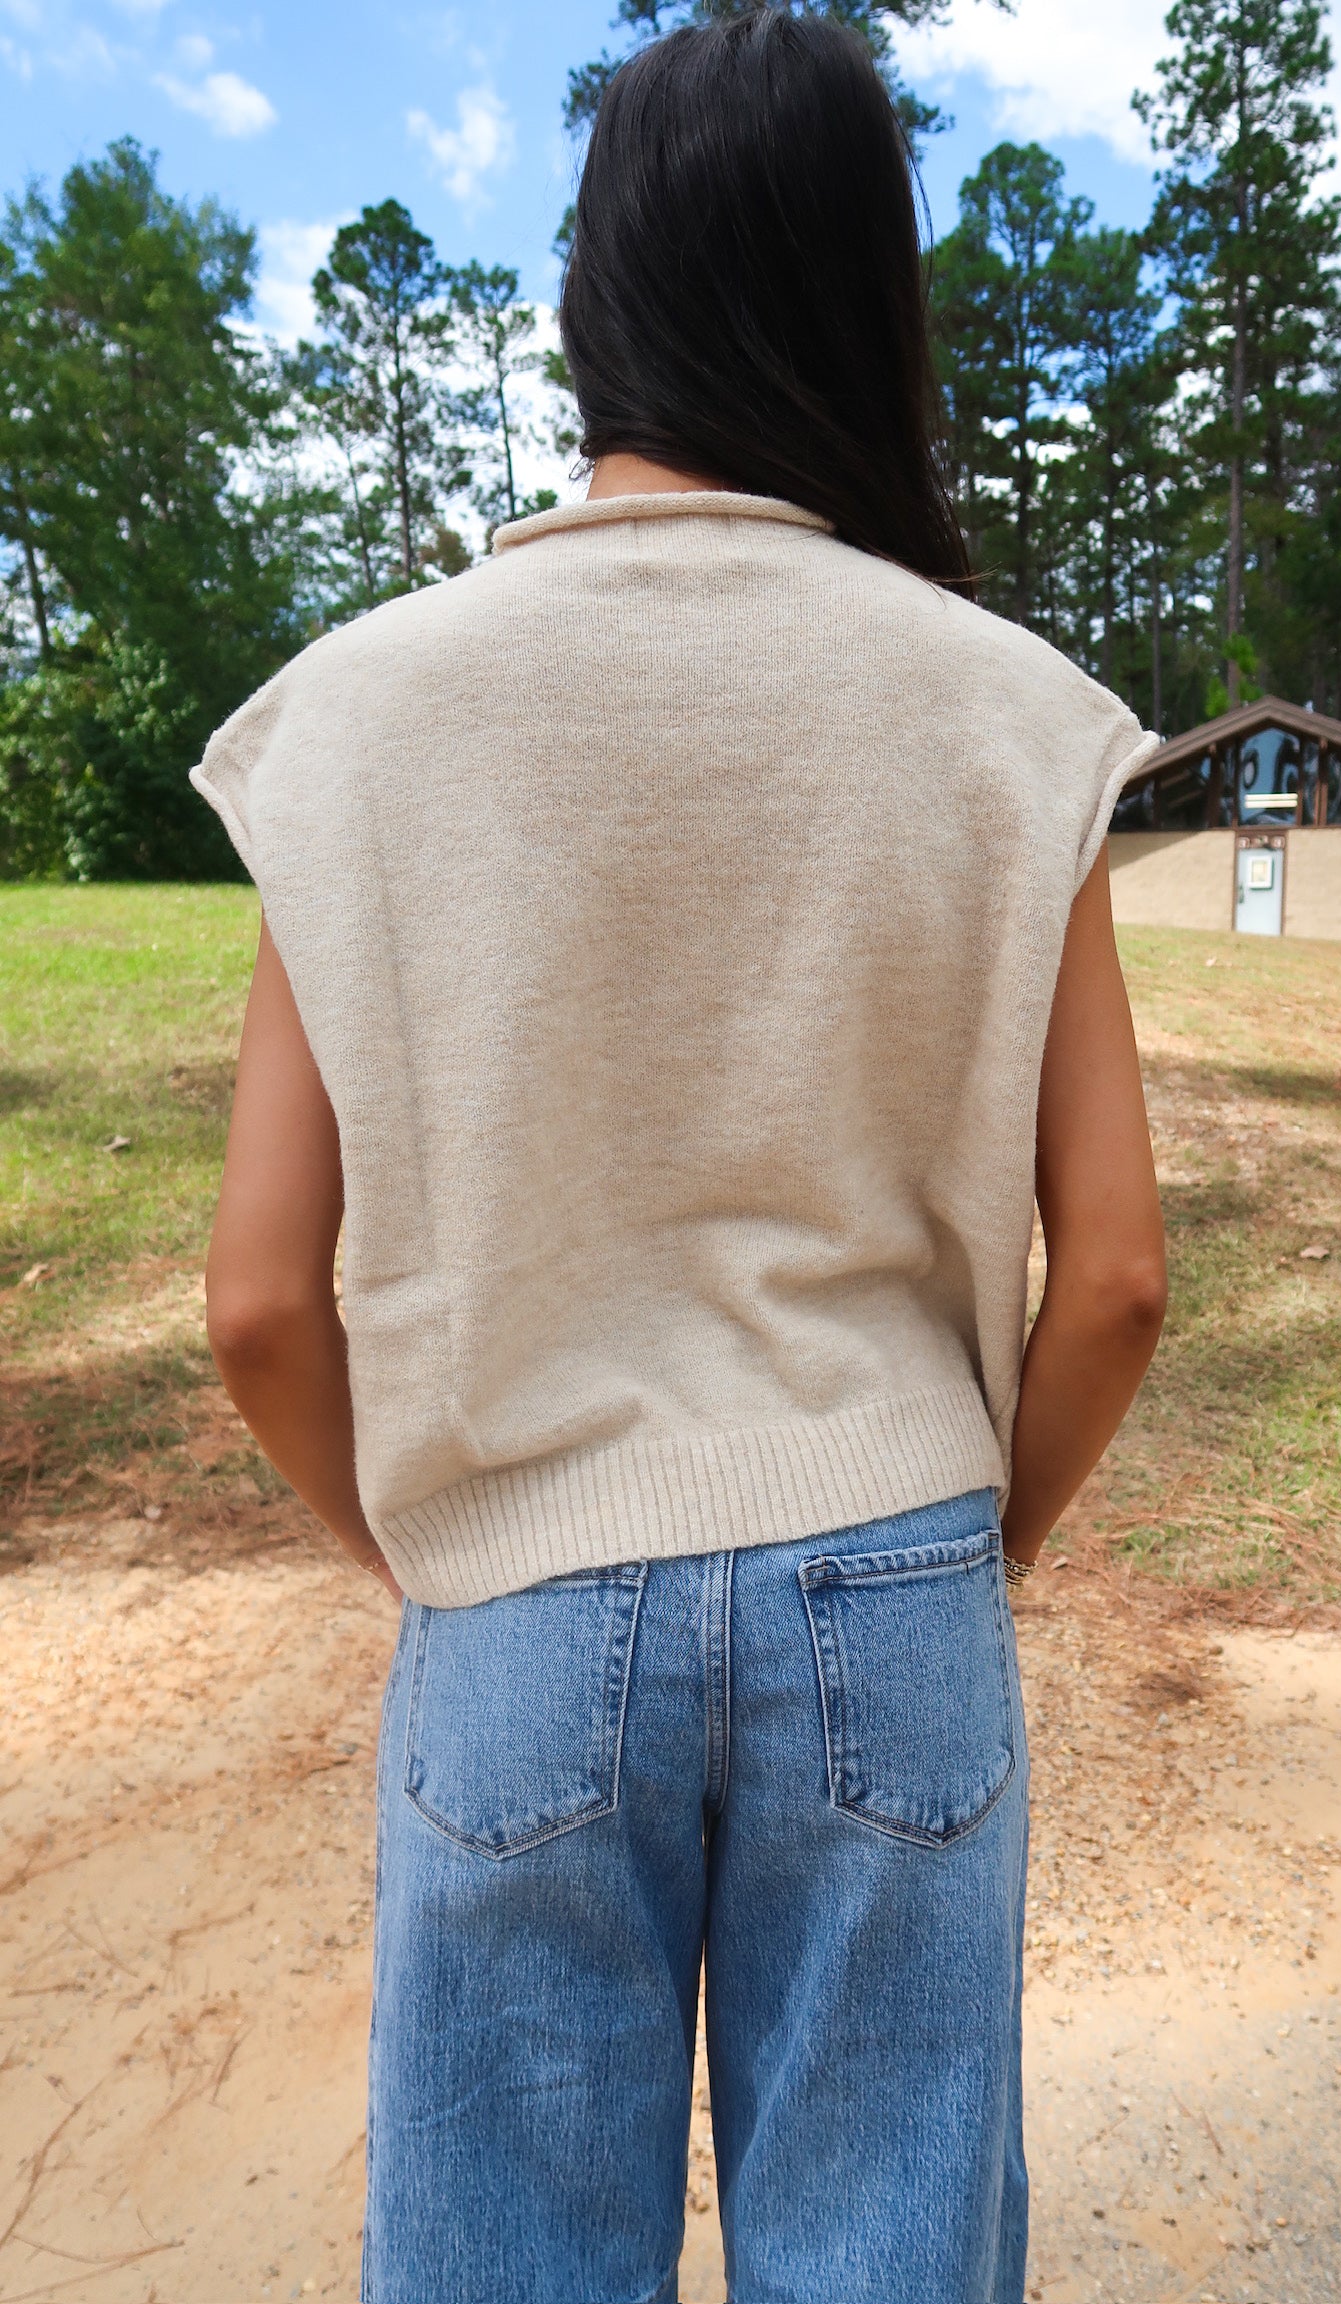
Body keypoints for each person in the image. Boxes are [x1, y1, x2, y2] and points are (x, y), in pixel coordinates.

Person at [195, 12, 1166, 2303]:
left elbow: (252, 1305)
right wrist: (956, 1540)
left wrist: (437, 1553)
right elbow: (1112, 1276)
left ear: (594, 291)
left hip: (512, 1603)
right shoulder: (1008, 711)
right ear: (867, 295)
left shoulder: (351, 716)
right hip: (897, 1572)